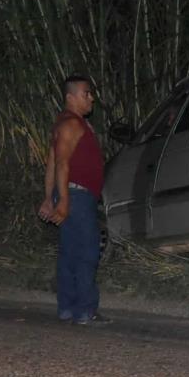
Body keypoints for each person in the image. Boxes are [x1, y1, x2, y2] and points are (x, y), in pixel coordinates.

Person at [38, 75, 110, 326]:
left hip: (72, 193)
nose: (91, 98)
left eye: (90, 94)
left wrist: (50, 198)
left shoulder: (65, 123)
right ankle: (85, 309)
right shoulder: (71, 124)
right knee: (87, 252)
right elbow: (61, 163)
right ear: (70, 97)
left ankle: (67, 308)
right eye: (86, 93)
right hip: (77, 195)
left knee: (70, 252)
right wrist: (64, 200)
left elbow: (52, 162)